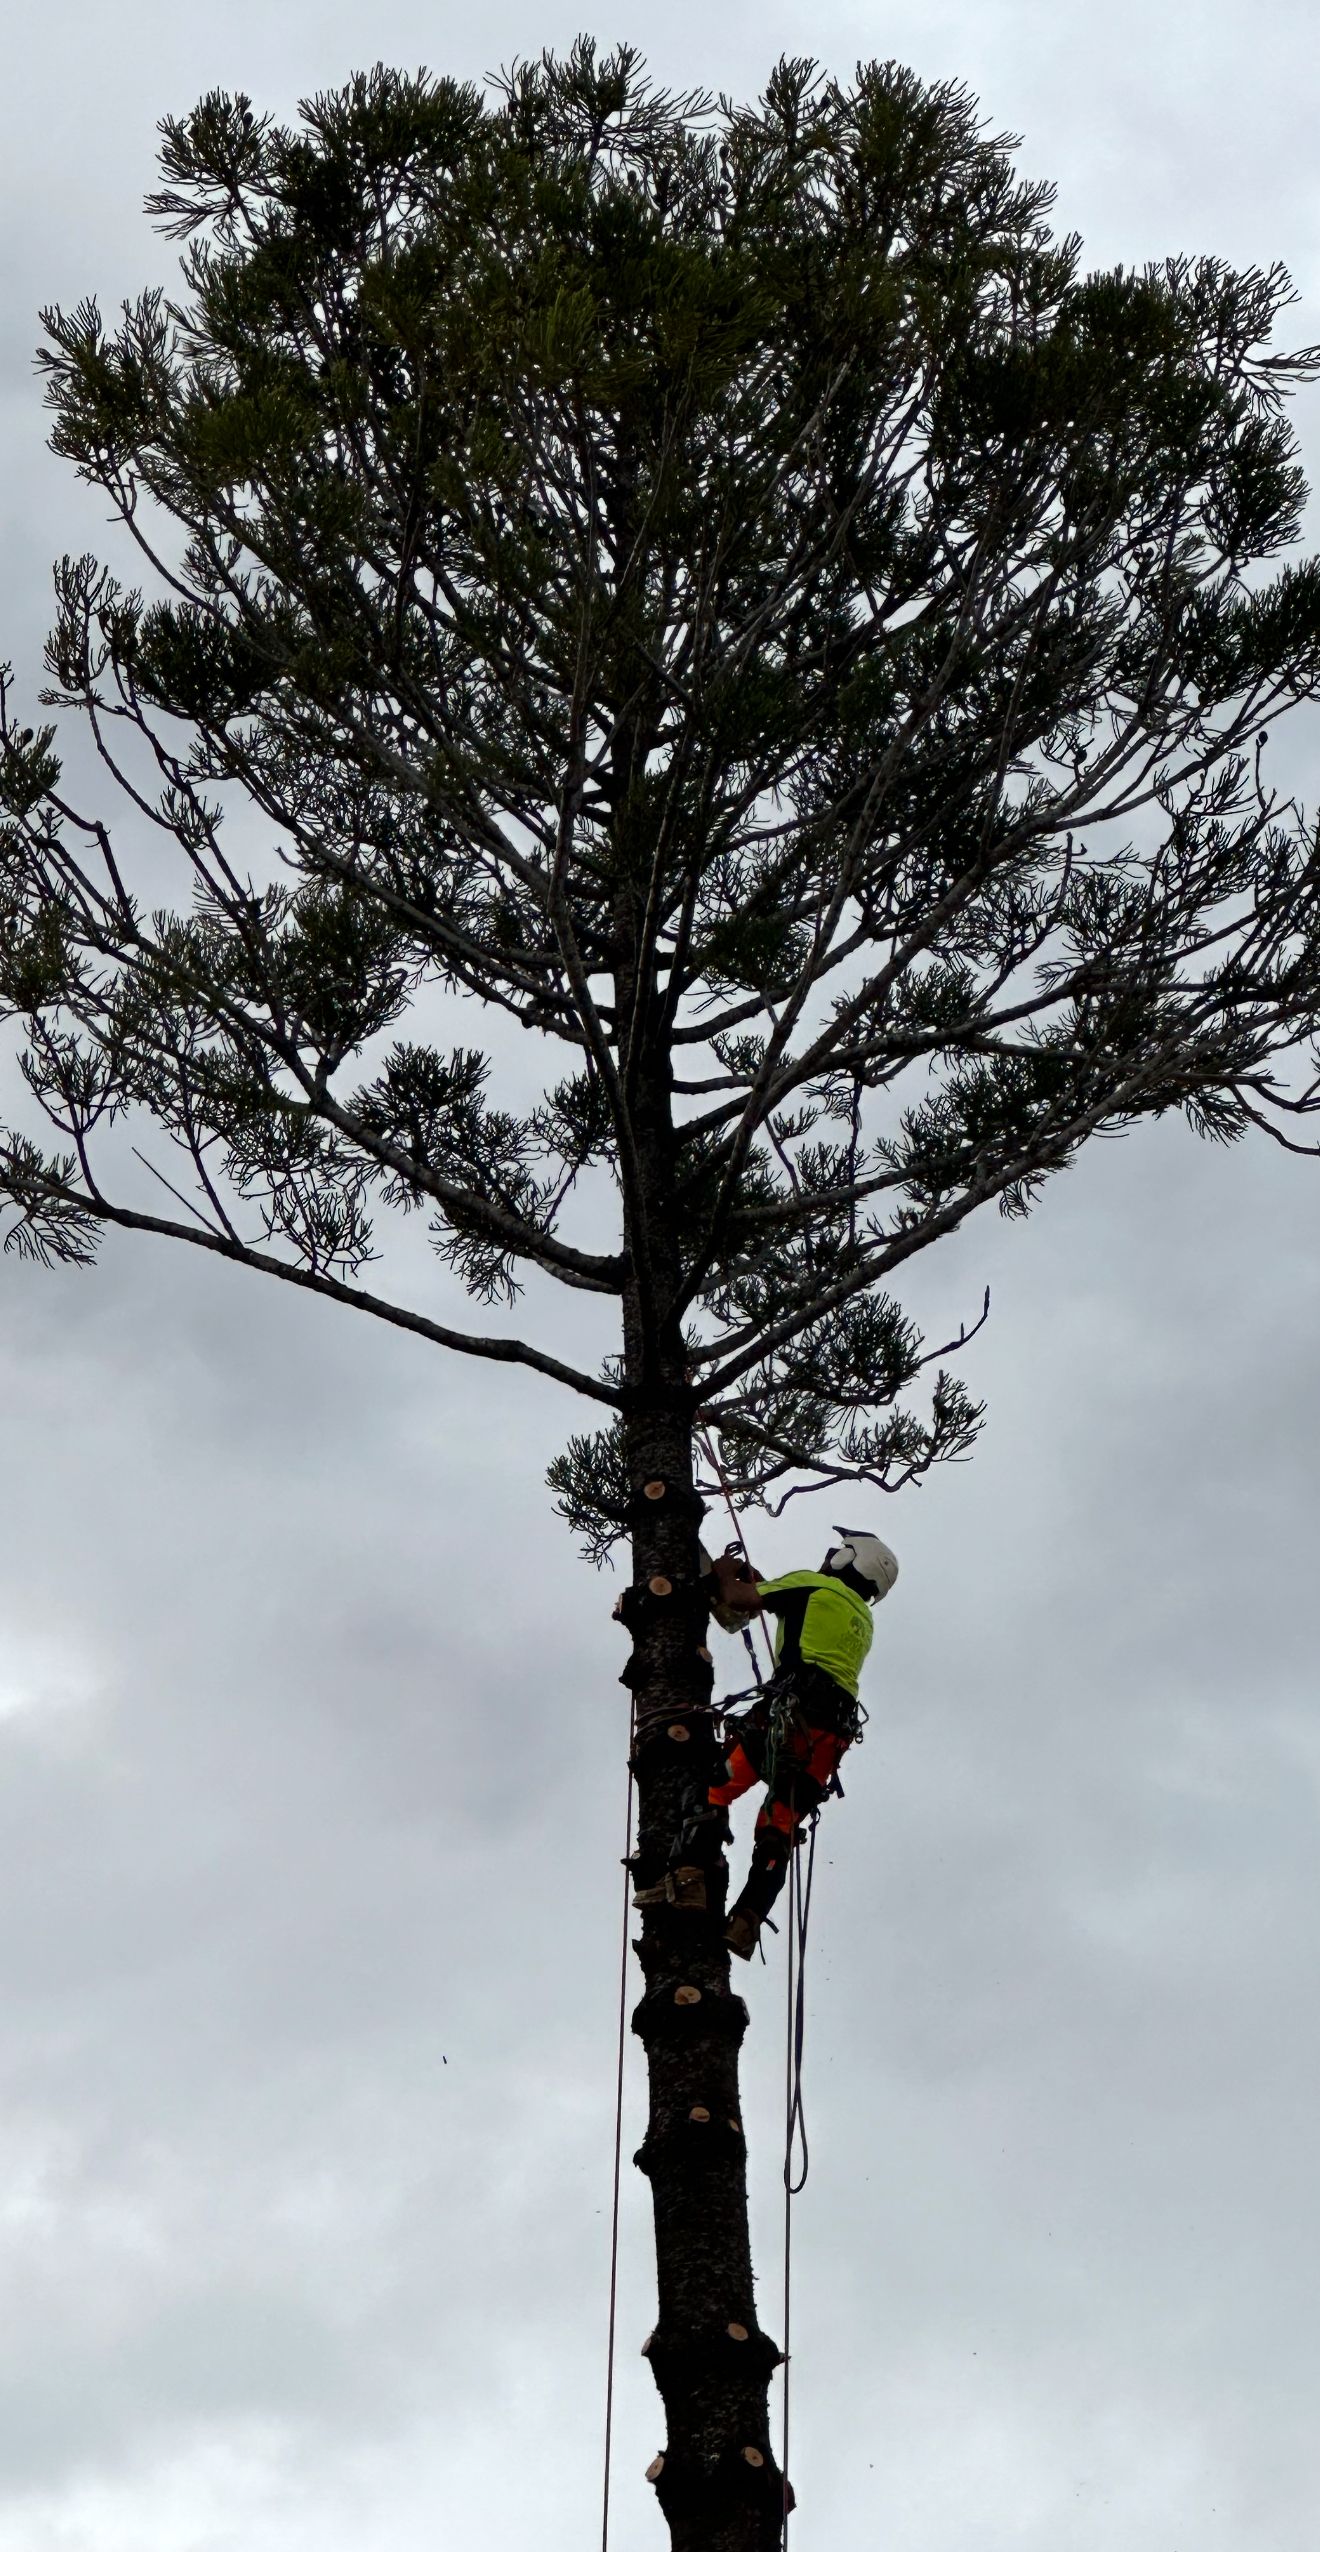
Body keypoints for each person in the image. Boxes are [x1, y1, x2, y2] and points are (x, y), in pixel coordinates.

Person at [699, 1530, 898, 1960]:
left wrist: (723, 1571)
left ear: (850, 1560)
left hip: (789, 1719)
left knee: (712, 1787)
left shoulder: (812, 1583)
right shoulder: (863, 1619)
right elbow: (801, 1621)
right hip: (828, 1737)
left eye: (836, 1552)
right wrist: (765, 1586)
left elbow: (736, 1599)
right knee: (779, 1826)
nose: (828, 1557)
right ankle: (747, 1918)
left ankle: (695, 1878)